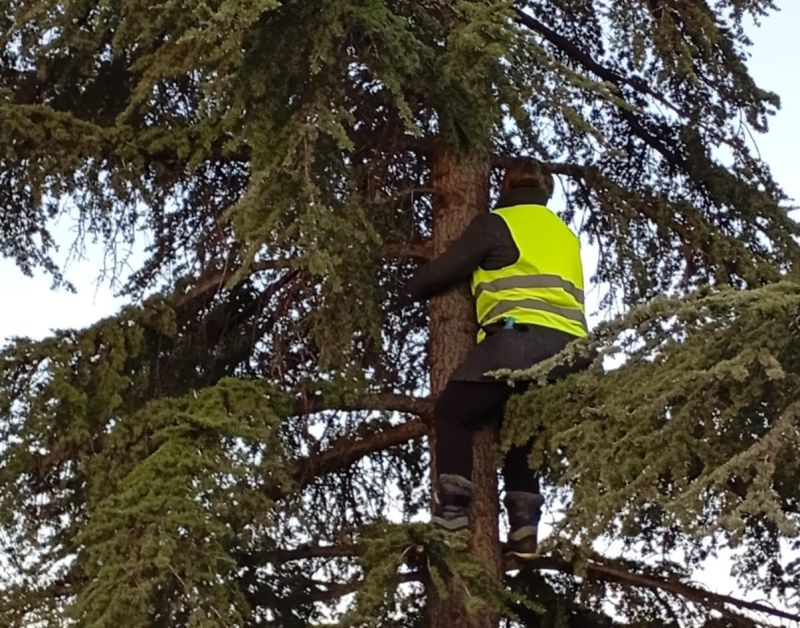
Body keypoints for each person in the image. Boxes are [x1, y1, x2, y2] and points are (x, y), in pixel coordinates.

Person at [399, 162, 587, 557]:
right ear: (547, 191)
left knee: (453, 412)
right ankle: (524, 527)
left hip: (518, 342)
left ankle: (453, 513)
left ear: (503, 186)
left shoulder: (497, 224)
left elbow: (445, 271)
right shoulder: (564, 234)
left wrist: (405, 289)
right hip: (571, 355)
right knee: (519, 423)